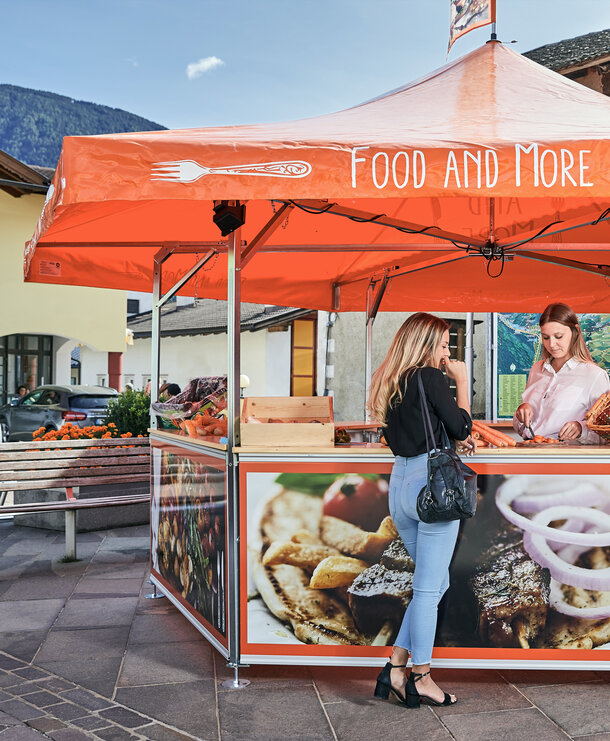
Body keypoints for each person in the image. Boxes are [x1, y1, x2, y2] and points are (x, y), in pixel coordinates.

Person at [368, 312, 475, 709]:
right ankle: (422, 677)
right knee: (429, 590)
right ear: (427, 344)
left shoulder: (391, 378)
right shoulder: (430, 378)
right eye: (444, 344)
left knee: (435, 584)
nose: (447, 353)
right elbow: (462, 428)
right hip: (432, 485)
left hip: (400, 484)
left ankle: (395, 666)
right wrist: (462, 382)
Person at [513, 303, 610, 444]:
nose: (551, 344)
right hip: (529, 452)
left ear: (575, 332)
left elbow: (605, 433)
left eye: (558, 336)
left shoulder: (595, 375)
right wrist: (521, 414)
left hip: (568, 459)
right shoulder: (536, 370)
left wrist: (581, 429)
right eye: (546, 337)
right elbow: (522, 428)